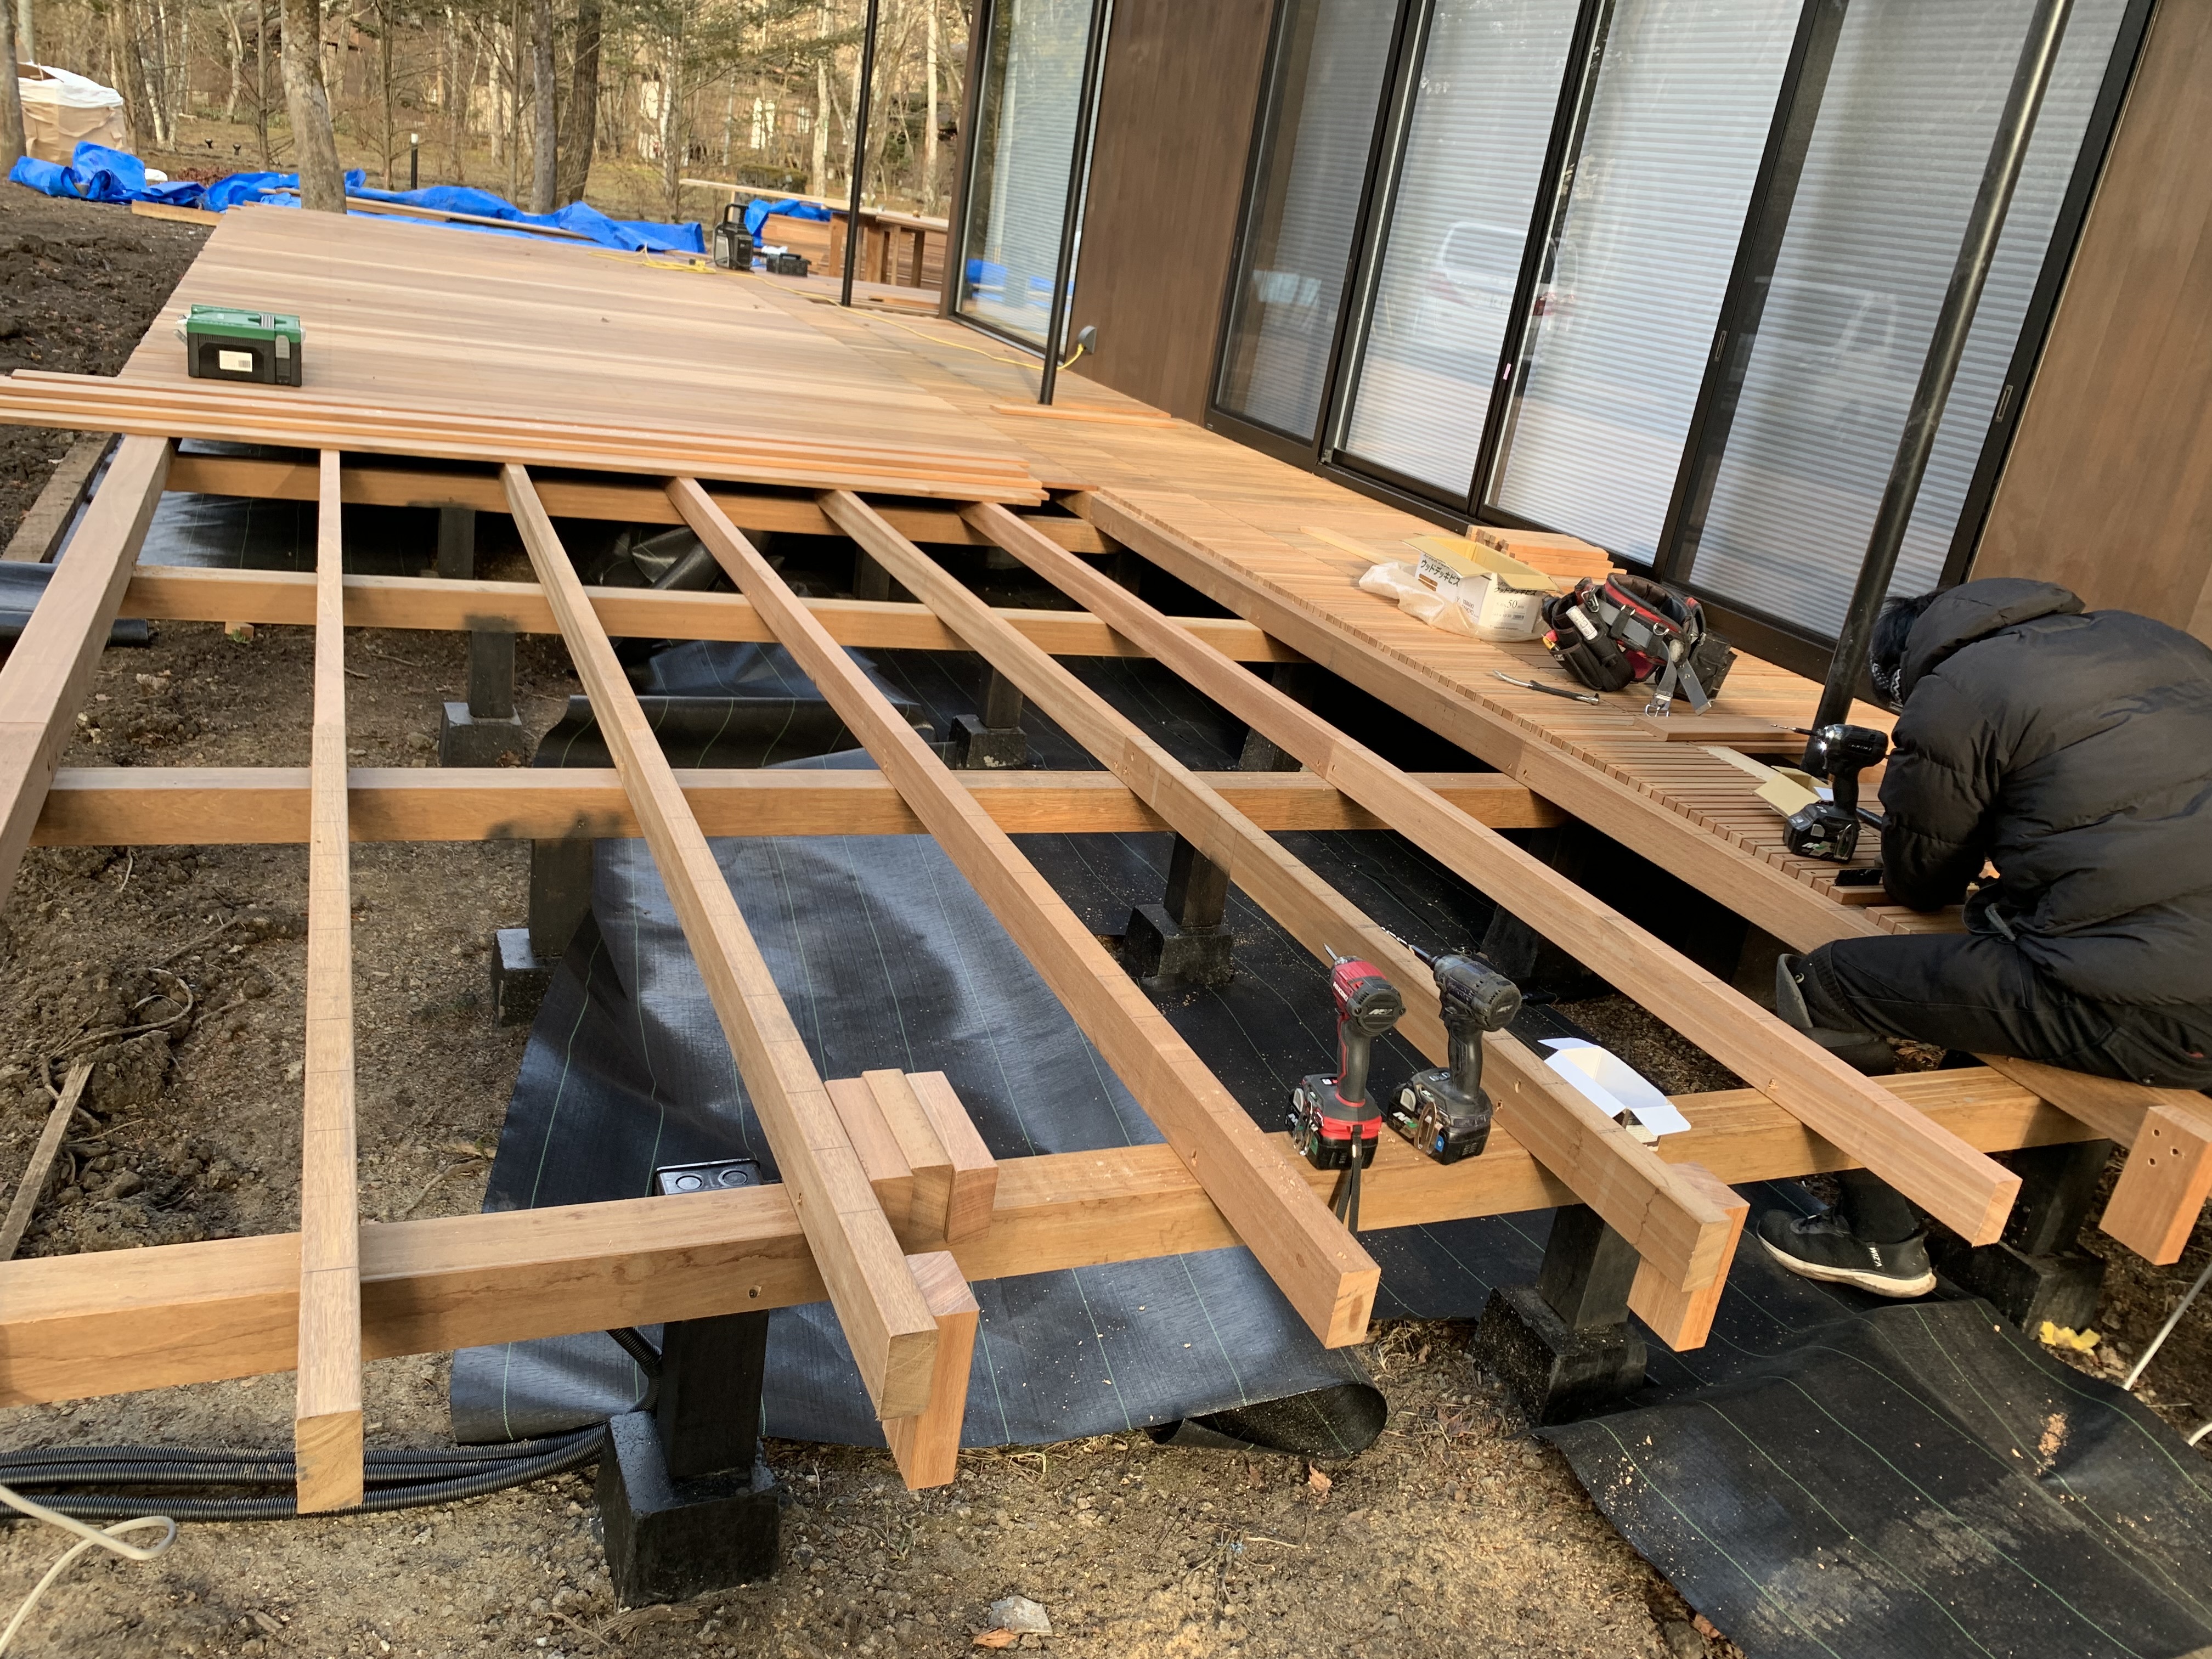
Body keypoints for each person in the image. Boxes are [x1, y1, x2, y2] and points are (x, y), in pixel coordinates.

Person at [1760, 577, 2212, 1296]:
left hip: (2159, 1011)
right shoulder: (2155, 640)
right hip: (2176, 966)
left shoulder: (1957, 690)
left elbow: (1922, 880)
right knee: (2000, 957)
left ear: (1907, 665)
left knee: (1826, 984)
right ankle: (1946, 1190)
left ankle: (1878, 1239)